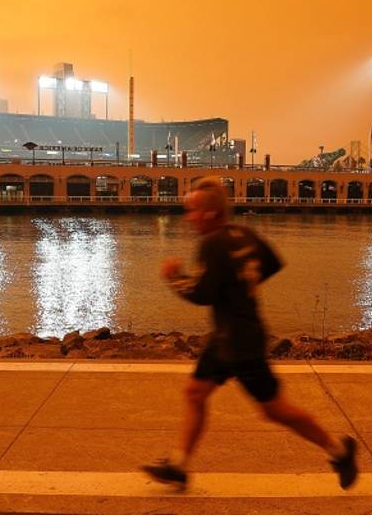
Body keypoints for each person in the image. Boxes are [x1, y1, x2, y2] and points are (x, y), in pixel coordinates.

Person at [142, 177, 358, 490]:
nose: (188, 218)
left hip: (241, 343)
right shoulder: (244, 234)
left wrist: (173, 277)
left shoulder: (212, 243)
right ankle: (177, 464)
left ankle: (339, 451)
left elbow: (201, 293)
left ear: (210, 214)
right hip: (226, 338)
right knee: (194, 392)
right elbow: (271, 263)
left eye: (192, 211)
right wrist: (245, 286)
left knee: (276, 410)